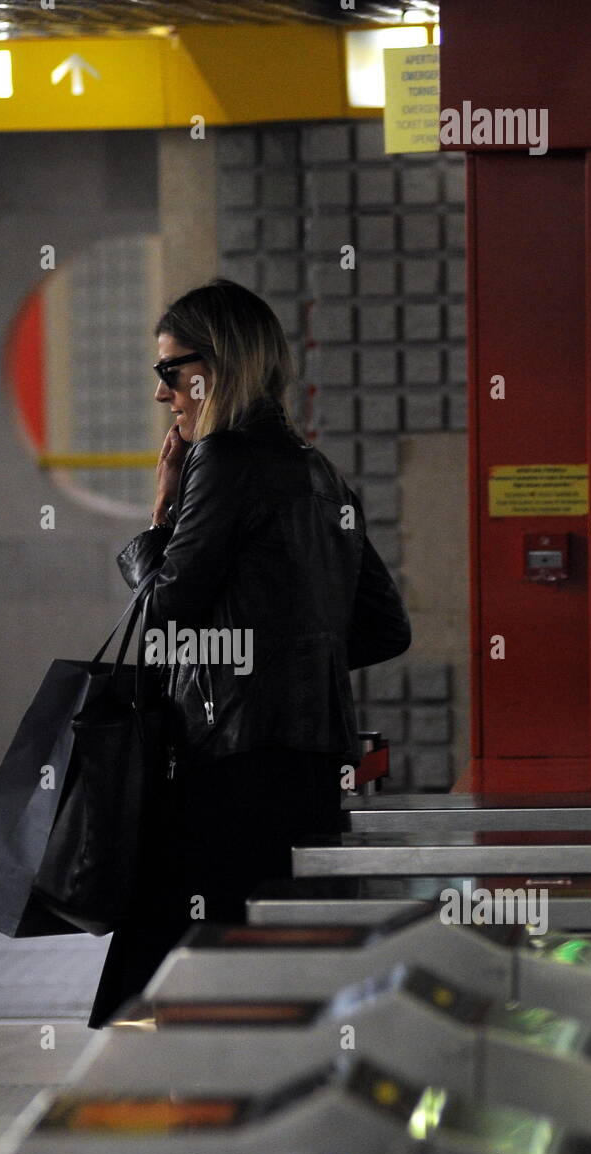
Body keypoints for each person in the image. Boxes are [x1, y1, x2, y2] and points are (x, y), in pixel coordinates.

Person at [88, 279, 410, 1028]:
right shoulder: (318, 471)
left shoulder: (223, 459)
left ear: (217, 366)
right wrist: (288, 657)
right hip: (309, 764)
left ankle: (186, 1124)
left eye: (171, 372)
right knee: (268, 966)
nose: (164, 395)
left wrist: (157, 521)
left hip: (225, 763)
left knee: (177, 973)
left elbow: (167, 608)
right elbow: (384, 627)